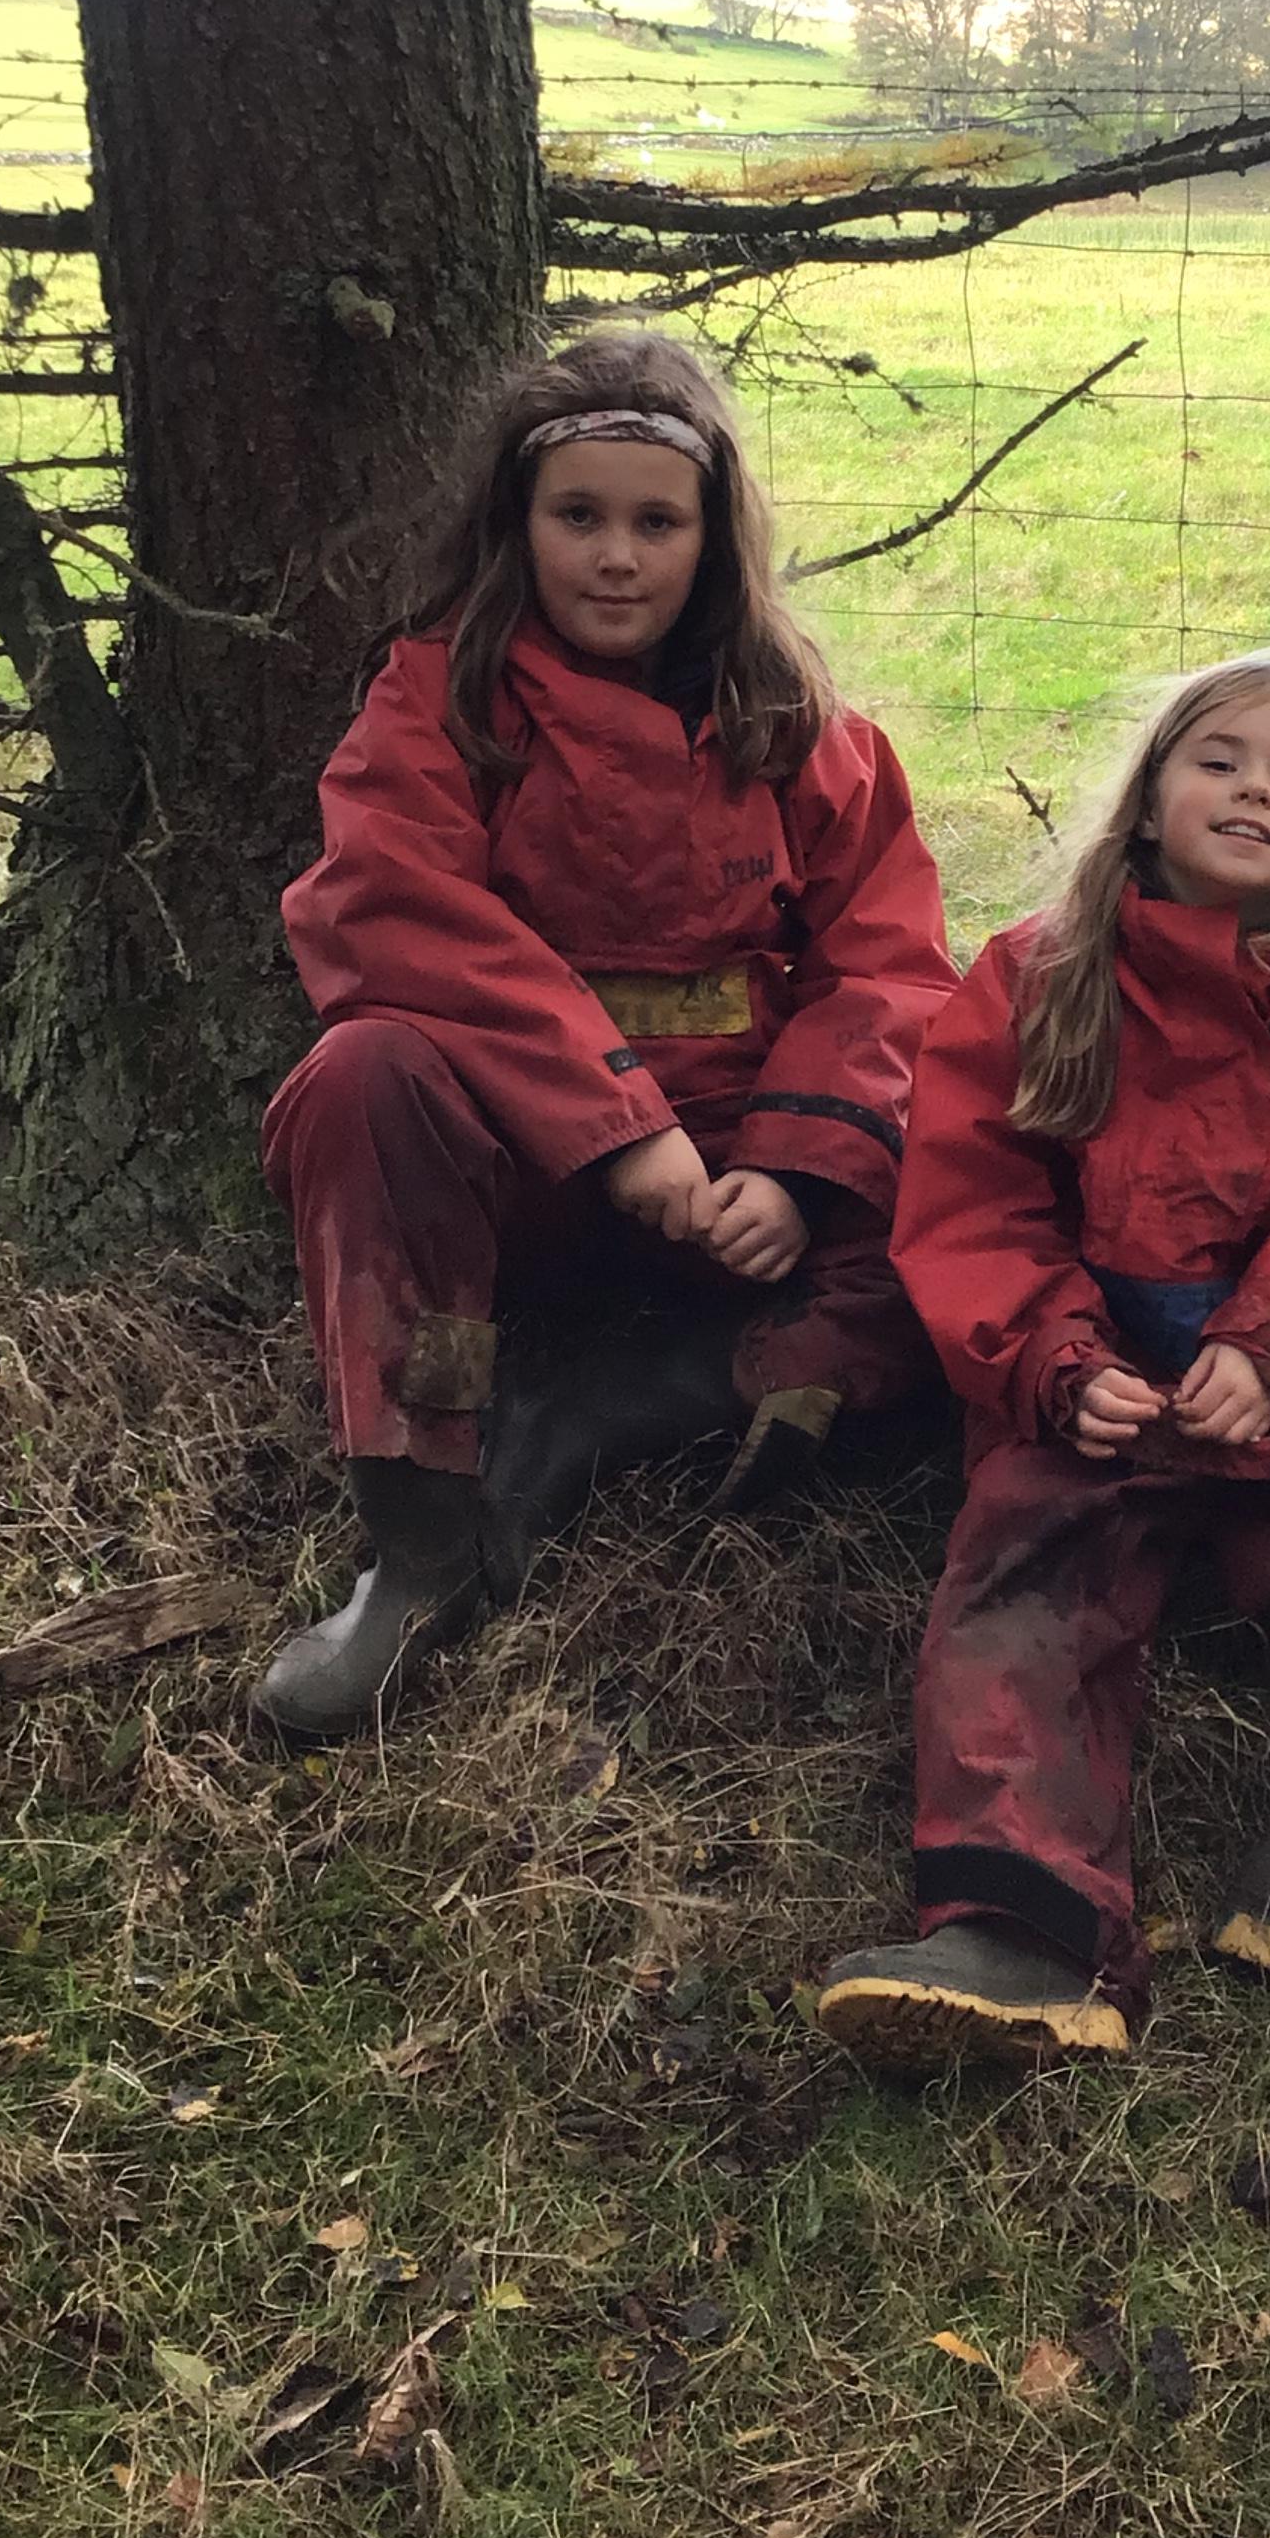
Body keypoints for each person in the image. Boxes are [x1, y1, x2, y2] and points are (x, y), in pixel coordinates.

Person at [816, 652, 1270, 2070]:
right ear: (1146, 800)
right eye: (1218, 760)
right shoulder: (1034, 977)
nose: (1254, 788)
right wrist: (1055, 1358)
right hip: (1098, 1377)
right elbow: (971, 1202)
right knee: (1026, 1560)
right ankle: (1023, 1931)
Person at [254, 326, 959, 1740]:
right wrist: (621, 1130)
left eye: (658, 523)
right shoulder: (438, 698)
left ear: (715, 537)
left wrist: (794, 1169)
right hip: (535, 1167)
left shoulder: (802, 724)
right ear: (517, 522)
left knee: (978, 1192)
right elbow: (391, 910)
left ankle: (606, 1412)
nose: (617, 558)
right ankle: (421, 1539)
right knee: (362, 1075)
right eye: (578, 516)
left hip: (742, 1184)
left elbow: (890, 967)